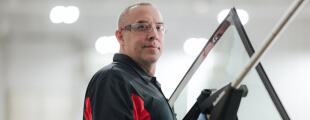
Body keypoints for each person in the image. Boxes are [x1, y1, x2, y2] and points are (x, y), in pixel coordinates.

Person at [83, 2, 177, 120]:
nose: (154, 35)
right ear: (121, 37)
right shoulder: (114, 79)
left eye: (159, 27)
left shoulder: (144, 85)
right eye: (142, 27)